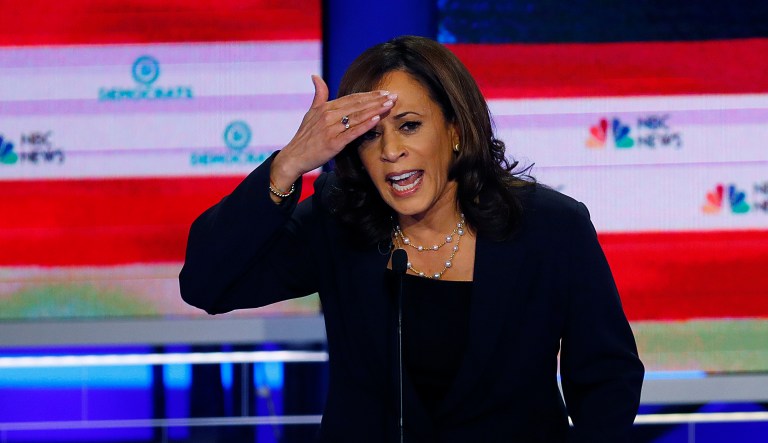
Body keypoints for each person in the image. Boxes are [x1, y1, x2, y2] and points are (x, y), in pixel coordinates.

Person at [180, 35, 644, 442]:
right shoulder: (339, 222)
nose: (390, 151)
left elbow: (607, 376)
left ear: (456, 130)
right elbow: (206, 284)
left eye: (409, 126)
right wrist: (287, 165)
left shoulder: (549, 227)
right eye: (370, 136)